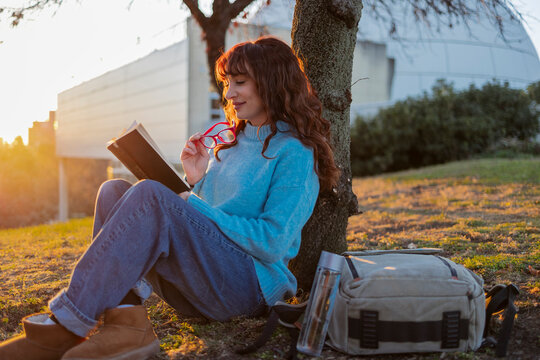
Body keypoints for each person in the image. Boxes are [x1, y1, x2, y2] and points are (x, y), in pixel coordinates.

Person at [0, 36, 339, 360]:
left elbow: (272, 241)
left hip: (249, 289)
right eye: (227, 83)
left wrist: (192, 203)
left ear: (270, 81)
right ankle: (126, 322)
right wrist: (196, 181)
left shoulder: (294, 152)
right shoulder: (234, 142)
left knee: (149, 194)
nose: (229, 93)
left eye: (240, 82)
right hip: (207, 280)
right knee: (113, 190)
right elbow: (208, 220)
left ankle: (65, 325)